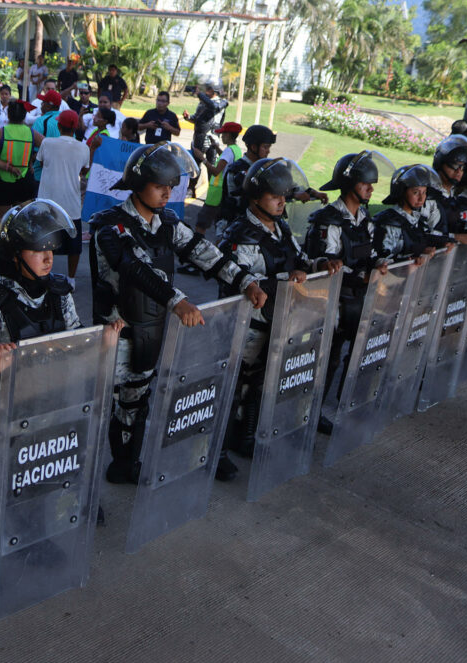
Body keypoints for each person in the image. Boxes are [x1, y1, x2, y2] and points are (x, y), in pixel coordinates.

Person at [89, 142, 266, 484]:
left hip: (152, 328)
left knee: (139, 401)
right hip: (117, 334)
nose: (167, 193)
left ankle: (127, 464)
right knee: (109, 405)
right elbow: (134, 267)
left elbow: (203, 252)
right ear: (137, 184)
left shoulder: (167, 223)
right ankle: (98, 479)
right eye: (159, 186)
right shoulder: (110, 227)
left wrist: (245, 281)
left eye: (171, 186)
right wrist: (177, 301)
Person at [0, 199, 106, 592]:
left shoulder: (59, 291)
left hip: (46, 403)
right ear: (13, 253)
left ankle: (32, 540)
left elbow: (74, 337)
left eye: (51, 249)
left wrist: (99, 342)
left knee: (39, 474)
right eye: (38, 249)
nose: (48, 257)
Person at [219, 159, 342, 468]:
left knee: (260, 382)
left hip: (278, 318)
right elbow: (238, 279)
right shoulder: (240, 234)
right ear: (254, 196)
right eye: (274, 196)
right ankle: (218, 452)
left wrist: (320, 265)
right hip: (247, 323)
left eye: (284, 196)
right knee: (234, 384)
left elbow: (299, 259)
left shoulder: (281, 227)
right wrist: (285, 279)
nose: (281, 202)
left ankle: (246, 436)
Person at [304, 151, 394, 434]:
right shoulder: (328, 220)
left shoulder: (364, 217)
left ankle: (346, 406)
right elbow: (325, 265)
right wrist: (360, 275)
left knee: (355, 354)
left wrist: (379, 264)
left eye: (372, 184)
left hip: (357, 299)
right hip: (330, 302)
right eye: (365, 183)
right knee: (325, 359)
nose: (371, 189)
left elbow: (371, 252)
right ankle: (308, 415)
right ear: (349, 183)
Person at [218, 124, 326, 227]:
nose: (268, 151)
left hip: (264, 223)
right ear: (254, 147)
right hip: (238, 224)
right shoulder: (237, 170)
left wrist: (311, 192)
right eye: (265, 147)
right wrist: (294, 195)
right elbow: (254, 194)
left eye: (269, 147)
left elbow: (285, 184)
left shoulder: (267, 167)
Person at [36, 110, 91, 279]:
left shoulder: (47, 143)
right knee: (74, 247)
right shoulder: (84, 148)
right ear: (75, 128)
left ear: (59, 126)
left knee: (44, 243)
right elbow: (84, 170)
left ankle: (44, 275)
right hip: (71, 204)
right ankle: (71, 279)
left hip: (46, 203)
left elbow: (41, 162)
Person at [373, 164, 453, 263]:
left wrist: (444, 243)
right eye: (416, 192)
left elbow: (429, 236)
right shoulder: (387, 223)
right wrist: (413, 257)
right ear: (402, 192)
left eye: (424, 192)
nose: (421, 198)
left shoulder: (418, 220)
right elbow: (381, 260)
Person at [425, 134, 467, 248]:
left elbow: (447, 227)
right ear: (440, 163)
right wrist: (457, 237)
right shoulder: (426, 194)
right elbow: (420, 234)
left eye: (462, 167)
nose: (459, 171)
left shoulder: (452, 194)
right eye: (454, 165)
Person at [0, 99, 44, 217]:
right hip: (24, 180)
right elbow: (46, 146)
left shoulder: (1, 132)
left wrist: (7, 167)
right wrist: (32, 160)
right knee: (22, 219)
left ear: (8, 115)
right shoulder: (31, 133)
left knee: (1, 220)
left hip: (2, 182)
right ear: (24, 116)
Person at [195, 121, 242, 241]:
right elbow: (226, 158)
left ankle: (196, 244)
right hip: (225, 193)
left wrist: (202, 158)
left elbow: (216, 171)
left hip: (216, 194)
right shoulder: (235, 149)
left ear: (229, 135)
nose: (221, 136)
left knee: (201, 223)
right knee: (221, 226)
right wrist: (216, 147)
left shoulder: (229, 151)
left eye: (223, 134)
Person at [182, 82, 227, 197]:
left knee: (211, 165)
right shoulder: (203, 102)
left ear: (214, 91)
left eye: (208, 89)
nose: (205, 91)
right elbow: (196, 118)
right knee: (195, 163)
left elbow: (213, 106)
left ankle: (212, 193)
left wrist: (199, 94)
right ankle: (191, 188)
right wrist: (188, 117)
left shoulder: (221, 102)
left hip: (213, 138)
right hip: (199, 137)